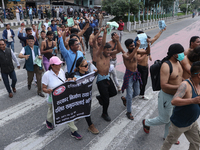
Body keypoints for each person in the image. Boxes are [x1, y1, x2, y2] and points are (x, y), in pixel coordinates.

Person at [142, 43, 185, 144]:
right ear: (174, 54)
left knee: (172, 118)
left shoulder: (178, 62)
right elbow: (164, 85)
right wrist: (179, 87)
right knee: (164, 119)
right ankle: (146, 122)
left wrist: (185, 83)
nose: (182, 54)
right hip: (167, 97)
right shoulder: (166, 66)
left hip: (177, 96)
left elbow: (179, 77)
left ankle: (167, 137)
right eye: (180, 53)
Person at [161, 61, 200, 150]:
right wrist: (192, 100)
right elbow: (174, 101)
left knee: (196, 142)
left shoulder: (198, 84)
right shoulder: (185, 85)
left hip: (192, 123)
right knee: (168, 143)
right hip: (179, 125)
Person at [42, 56, 82, 139]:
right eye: (57, 64)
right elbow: (43, 88)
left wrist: (68, 81)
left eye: (60, 64)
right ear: (52, 65)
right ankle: (49, 121)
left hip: (63, 98)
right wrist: (48, 90)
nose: (59, 66)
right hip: (52, 99)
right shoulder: (46, 75)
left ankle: (73, 131)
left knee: (67, 113)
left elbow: (63, 82)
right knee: (51, 112)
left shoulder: (61, 71)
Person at [95, 26, 120, 121]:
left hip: (107, 77)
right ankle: (104, 113)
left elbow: (119, 50)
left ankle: (101, 97)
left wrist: (117, 41)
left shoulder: (109, 55)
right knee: (107, 100)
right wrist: (105, 33)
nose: (109, 52)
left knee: (113, 93)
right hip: (101, 79)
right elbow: (101, 46)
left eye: (110, 50)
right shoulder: (99, 55)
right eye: (107, 50)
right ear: (103, 50)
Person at [121, 39, 150, 120]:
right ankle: (129, 112)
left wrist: (148, 44)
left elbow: (147, 52)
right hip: (129, 76)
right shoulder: (125, 54)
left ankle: (125, 99)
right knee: (130, 95)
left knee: (137, 93)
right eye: (131, 46)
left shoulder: (136, 51)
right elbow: (130, 58)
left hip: (136, 74)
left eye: (133, 45)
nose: (133, 47)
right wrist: (137, 47)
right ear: (127, 47)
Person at [137, 28, 166, 100]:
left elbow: (155, 37)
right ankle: (135, 94)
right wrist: (146, 53)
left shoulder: (146, 44)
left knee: (144, 82)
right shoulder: (137, 46)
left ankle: (141, 94)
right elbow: (139, 59)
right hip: (139, 67)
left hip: (145, 67)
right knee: (137, 82)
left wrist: (161, 31)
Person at [74, 57, 99, 134]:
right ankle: (90, 125)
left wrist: (95, 73)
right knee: (86, 110)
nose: (87, 67)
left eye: (87, 65)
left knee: (83, 108)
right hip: (79, 97)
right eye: (85, 66)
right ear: (80, 67)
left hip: (87, 95)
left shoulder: (88, 73)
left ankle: (77, 115)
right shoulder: (76, 76)